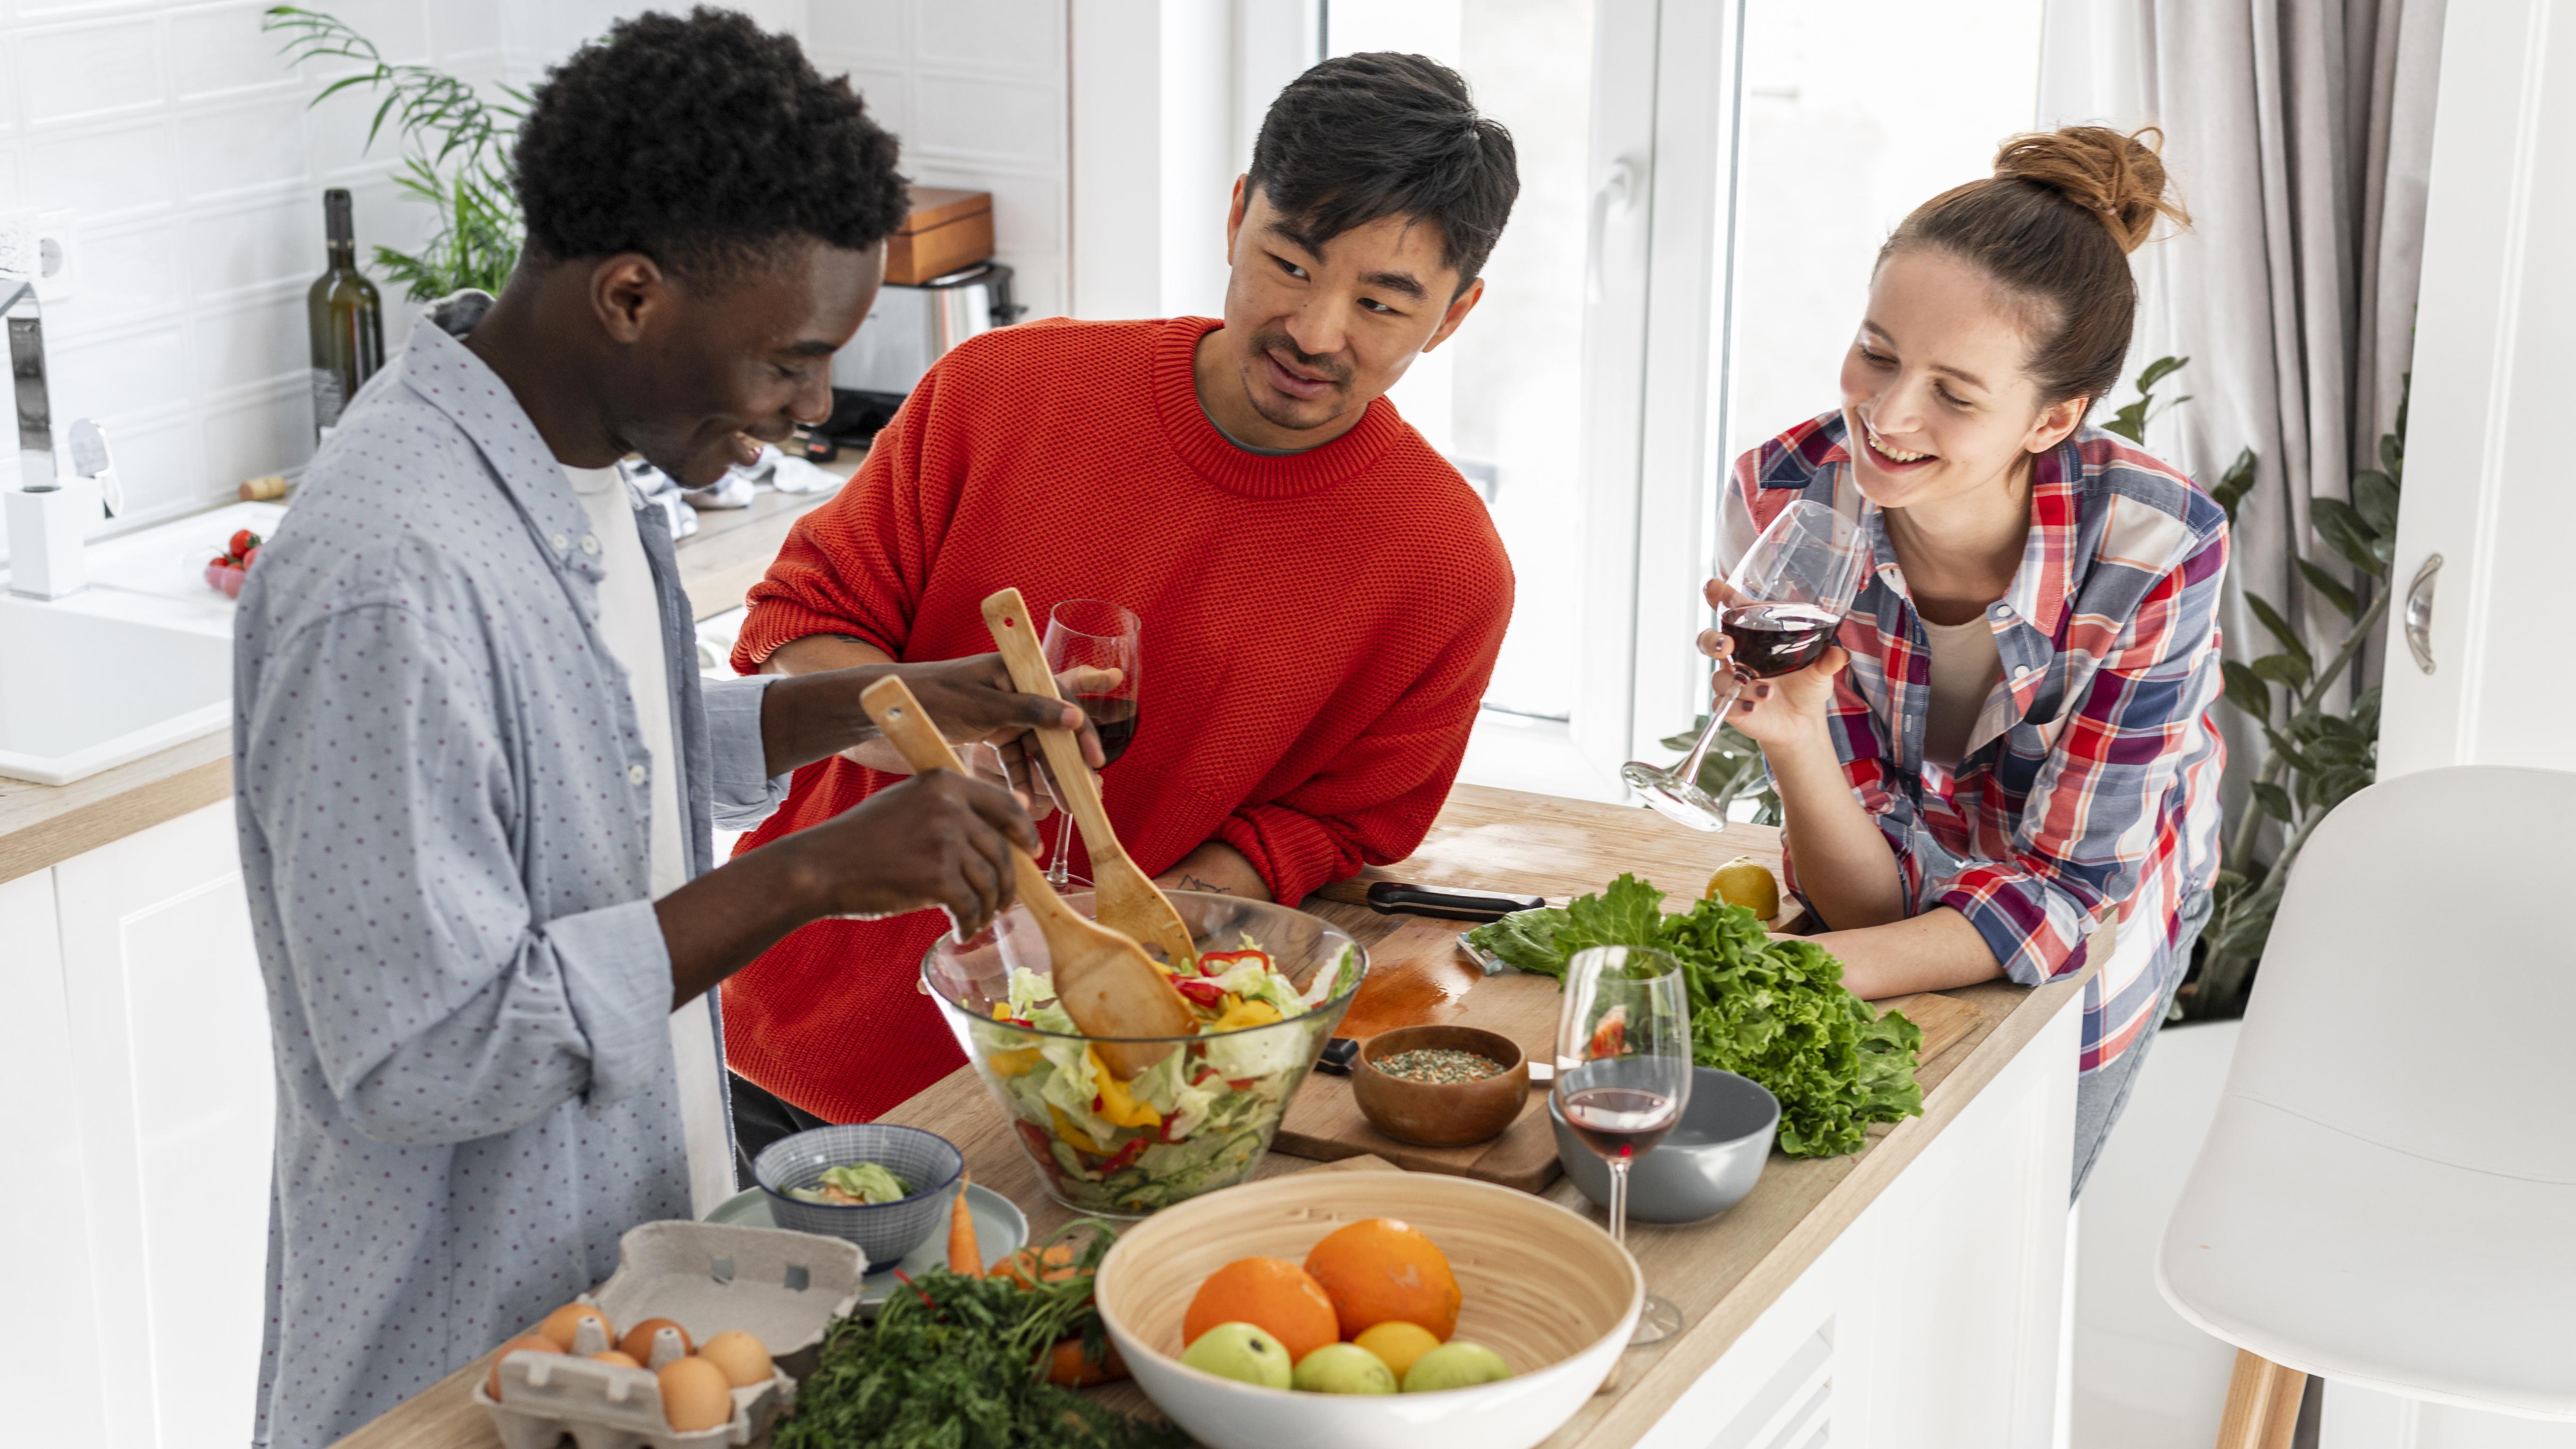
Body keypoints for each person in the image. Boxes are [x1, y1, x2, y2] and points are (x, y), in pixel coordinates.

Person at [232, 14, 1092, 1446]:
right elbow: (425, 1051)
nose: (814, 410)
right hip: (465, 1355)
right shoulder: (389, 572)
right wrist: (808, 876)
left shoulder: (577, 467)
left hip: (631, 1296)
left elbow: (574, 753)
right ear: (630, 295)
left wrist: (857, 709)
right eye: (791, 364)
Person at [720, 52, 1521, 1135]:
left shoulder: (1445, 569)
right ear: (1236, 216)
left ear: (1456, 314)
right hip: (787, 1054)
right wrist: (936, 752)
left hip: (1100, 1091)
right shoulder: (997, 390)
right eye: (1287, 264)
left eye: (1382, 303)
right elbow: (798, 629)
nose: (1316, 332)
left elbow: (1342, 819)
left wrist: (1171, 907)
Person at [1708, 126, 2224, 1197]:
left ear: (2054, 417)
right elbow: (1857, 902)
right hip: (1884, 908)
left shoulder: (2155, 550)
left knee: (1999, 1241)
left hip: (2089, 928)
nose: (1886, 415)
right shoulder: (1783, 495)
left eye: (1953, 390)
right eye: (1877, 352)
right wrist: (1796, 739)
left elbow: (2072, 893)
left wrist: (1785, 974)